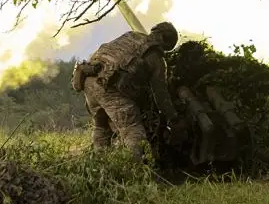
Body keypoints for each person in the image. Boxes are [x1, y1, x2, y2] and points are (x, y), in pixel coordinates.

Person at [71, 22, 188, 158]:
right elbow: (161, 94)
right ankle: (135, 170)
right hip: (110, 88)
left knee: (102, 127)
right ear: (165, 41)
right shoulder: (156, 57)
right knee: (132, 130)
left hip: (88, 81)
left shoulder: (131, 36)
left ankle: (100, 161)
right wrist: (173, 118)